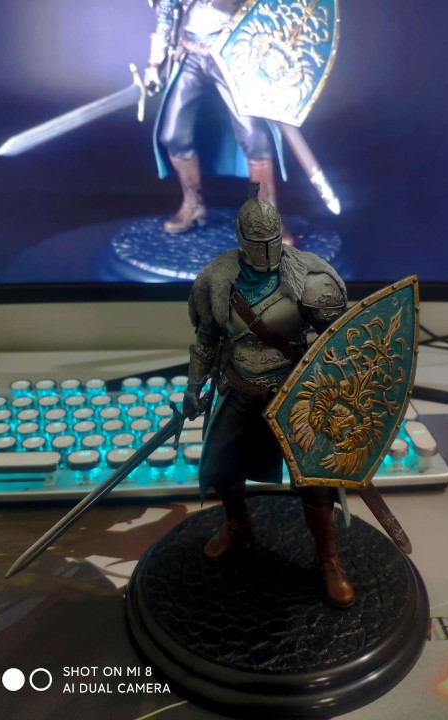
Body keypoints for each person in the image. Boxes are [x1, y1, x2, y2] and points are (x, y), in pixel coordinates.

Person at [182, 182, 355, 607]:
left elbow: (338, 342)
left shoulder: (311, 277)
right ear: (241, 239)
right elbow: (206, 339)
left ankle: (327, 556)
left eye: (270, 241)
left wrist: (339, 389)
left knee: (315, 479)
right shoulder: (217, 278)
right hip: (240, 384)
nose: (264, 250)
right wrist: (193, 385)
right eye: (256, 242)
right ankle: (237, 521)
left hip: (294, 393)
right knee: (221, 465)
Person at [144, 0, 289, 237]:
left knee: (255, 136)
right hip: (191, 53)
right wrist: (153, 65)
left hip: (231, 53)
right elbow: (165, 16)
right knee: (173, 135)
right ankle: (193, 204)